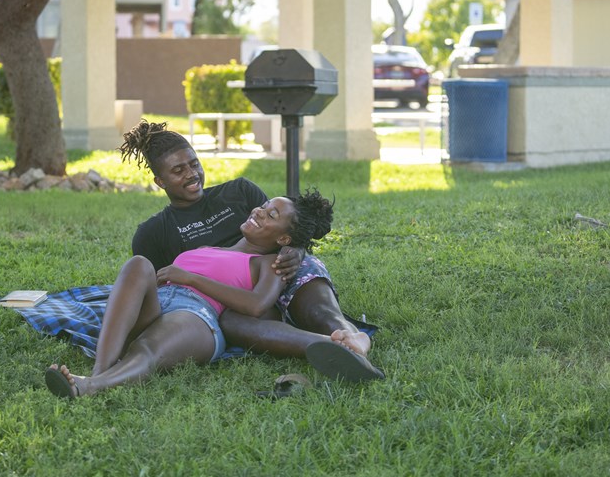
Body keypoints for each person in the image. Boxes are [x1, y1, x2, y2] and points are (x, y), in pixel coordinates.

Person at [45, 189, 380, 398]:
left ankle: (89, 386)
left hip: (198, 317)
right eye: (264, 206)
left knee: (147, 349)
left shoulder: (270, 263)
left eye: (271, 214)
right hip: (160, 302)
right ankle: (101, 370)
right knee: (137, 264)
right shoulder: (210, 248)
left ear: (283, 239)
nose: (259, 211)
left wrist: (190, 278)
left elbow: (256, 305)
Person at [120, 120, 378, 366]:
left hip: (278, 270)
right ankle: (329, 348)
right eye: (178, 170)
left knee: (317, 309)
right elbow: (164, 292)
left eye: (194, 164)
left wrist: (296, 251)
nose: (192, 174)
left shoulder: (239, 191)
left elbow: (289, 226)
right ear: (160, 181)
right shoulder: (153, 233)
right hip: (230, 298)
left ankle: (351, 338)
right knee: (232, 322)